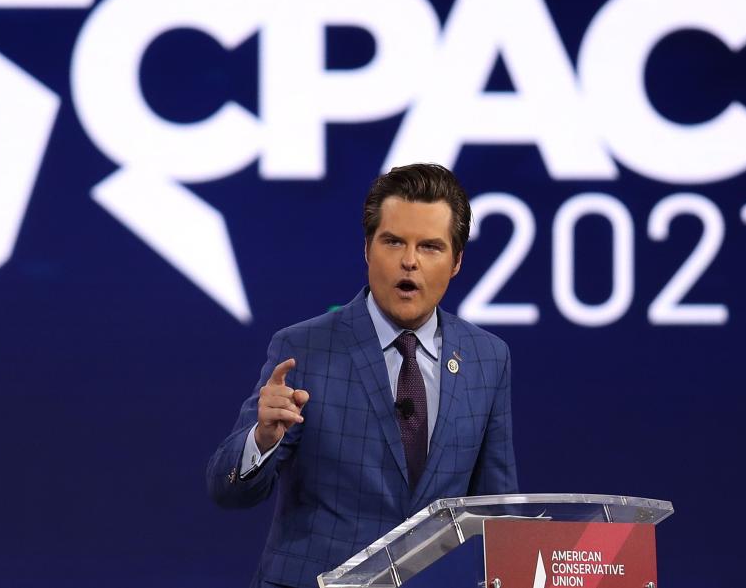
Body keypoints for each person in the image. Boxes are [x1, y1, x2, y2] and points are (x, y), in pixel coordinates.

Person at [207, 163, 518, 588]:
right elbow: (228, 490)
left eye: (430, 247)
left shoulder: (488, 358)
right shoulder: (304, 349)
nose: (410, 261)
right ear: (368, 249)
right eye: (393, 242)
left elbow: (495, 510)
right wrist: (261, 441)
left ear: (457, 261)